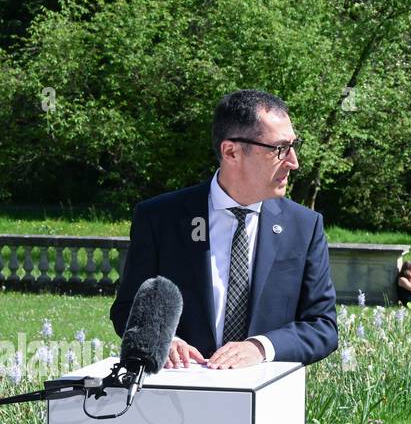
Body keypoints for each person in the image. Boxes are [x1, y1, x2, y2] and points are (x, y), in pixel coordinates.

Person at [111, 89, 338, 369]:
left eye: (294, 146)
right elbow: (128, 309)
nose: (293, 162)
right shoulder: (159, 218)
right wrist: (161, 338)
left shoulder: (304, 226)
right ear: (231, 151)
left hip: (267, 400)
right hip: (180, 394)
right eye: (279, 149)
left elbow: (322, 326)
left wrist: (261, 347)